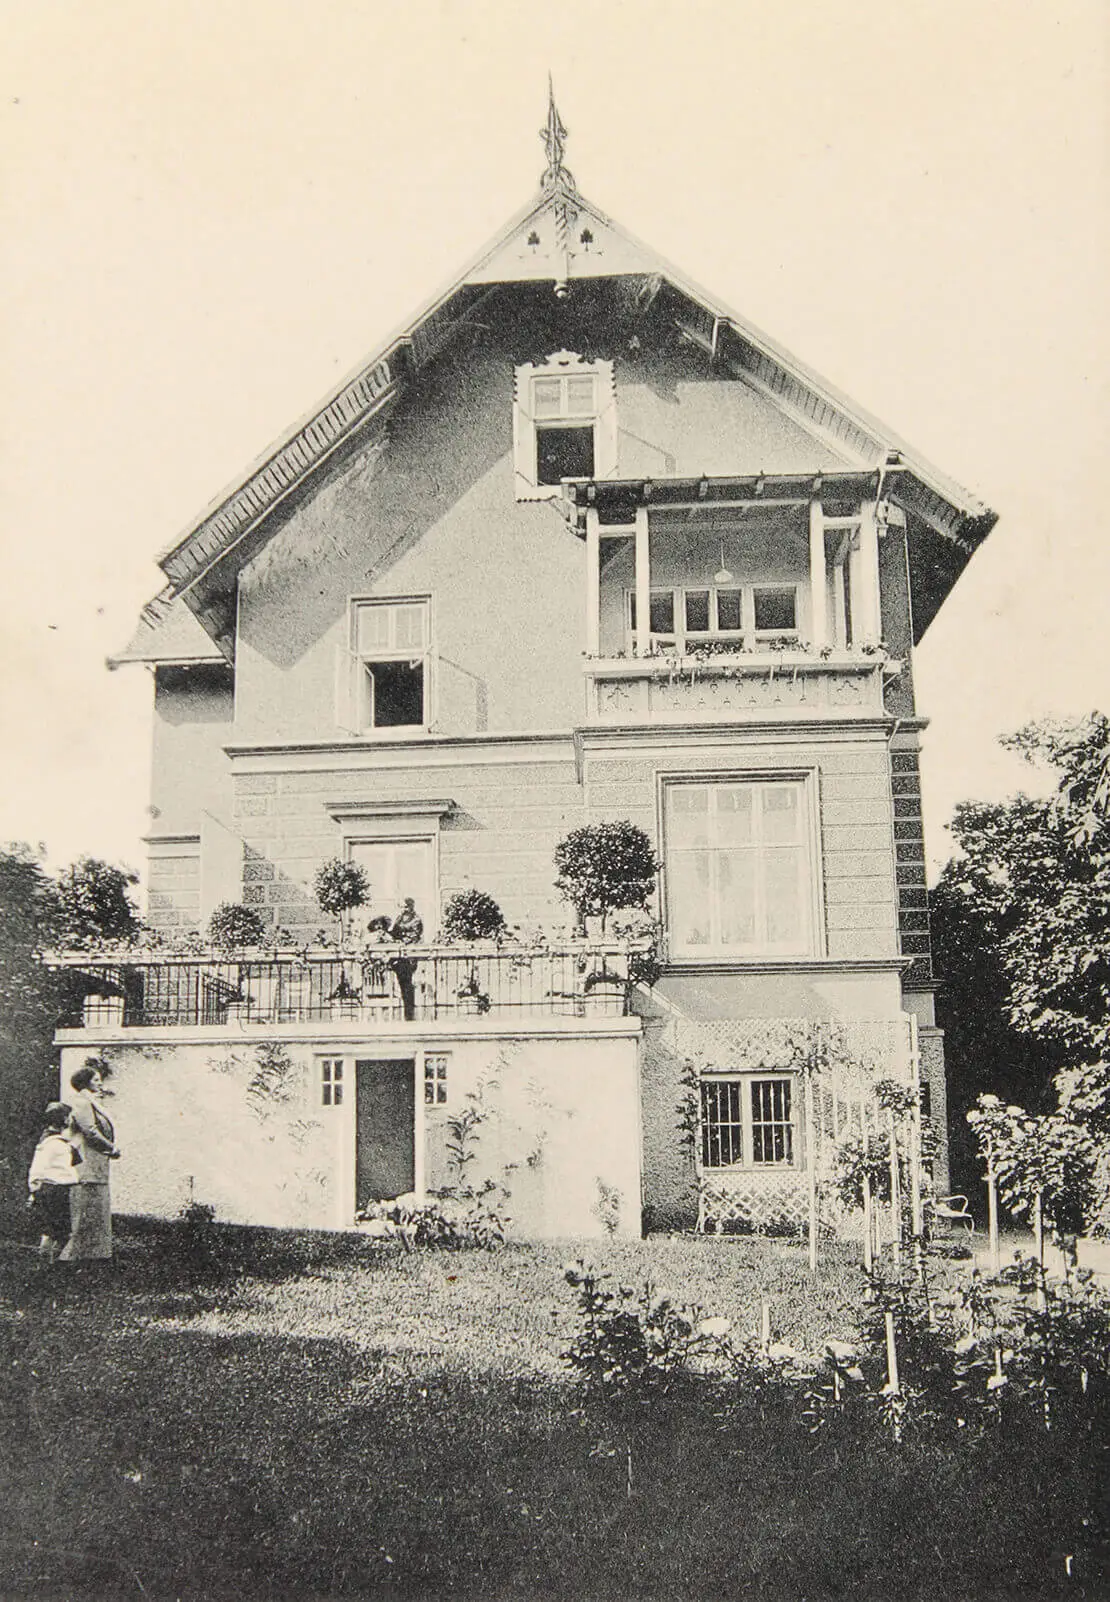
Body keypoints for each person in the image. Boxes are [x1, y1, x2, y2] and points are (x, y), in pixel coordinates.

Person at [59, 1058, 120, 1262]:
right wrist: (111, 1148)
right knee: (85, 1209)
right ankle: (75, 1256)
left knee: (95, 1208)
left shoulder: (91, 1101)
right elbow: (90, 1131)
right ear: (85, 1082)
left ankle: (94, 1255)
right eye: (96, 1079)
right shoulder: (81, 1101)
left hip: (95, 1161)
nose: (100, 1083)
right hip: (86, 1161)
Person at [27, 1102, 81, 1262]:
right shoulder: (50, 1143)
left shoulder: (61, 1142)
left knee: (62, 1232)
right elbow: (38, 1168)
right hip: (51, 1190)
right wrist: (34, 1190)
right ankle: (44, 1263)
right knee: (51, 1230)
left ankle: (51, 1262)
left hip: (61, 1190)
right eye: (69, 1117)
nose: (71, 1120)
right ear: (64, 1119)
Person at [389, 898, 424, 1021]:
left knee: (408, 984)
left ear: (411, 907)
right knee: (402, 984)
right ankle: (407, 1013)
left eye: (406, 907)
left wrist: (402, 942)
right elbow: (393, 933)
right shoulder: (398, 919)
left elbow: (415, 936)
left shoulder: (416, 920)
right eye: (402, 907)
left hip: (409, 956)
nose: (404, 910)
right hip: (399, 956)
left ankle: (409, 1014)